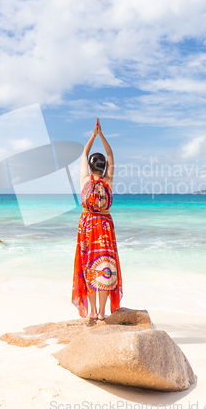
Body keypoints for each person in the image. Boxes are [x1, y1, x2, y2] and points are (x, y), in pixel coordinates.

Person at [72, 118, 123, 320]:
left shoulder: (85, 180)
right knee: (105, 267)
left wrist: (93, 135)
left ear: (91, 165)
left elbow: (83, 153)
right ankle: (102, 312)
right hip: (105, 227)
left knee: (89, 266)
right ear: (103, 168)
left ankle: (92, 311)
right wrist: (102, 136)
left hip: (87, 227)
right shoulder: (108, 182)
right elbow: (111, 155)